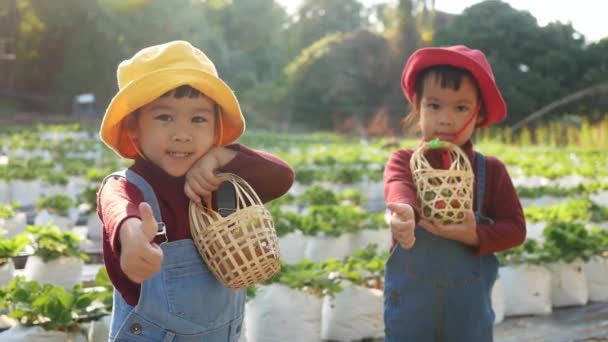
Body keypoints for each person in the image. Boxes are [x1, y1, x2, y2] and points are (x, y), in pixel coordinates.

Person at [97, 40, 295, 341]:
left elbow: (281, 177)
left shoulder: (218, 183)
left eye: (198, 119)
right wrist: (131, 234)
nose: (182, 135)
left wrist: (221, 156)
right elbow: (117, 208)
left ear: (216, 129)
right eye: (165, 117)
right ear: (134, 127)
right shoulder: (128, 187)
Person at [383, 45, 526, 341]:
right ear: (417, 108)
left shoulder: (491, 171)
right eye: (434, 106)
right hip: (413, 310)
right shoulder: (404, 162)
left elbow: (516, 229)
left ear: (478, 114)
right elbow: (398, 188)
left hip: (468, 314)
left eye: (460, 108)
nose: (446, 119)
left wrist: (474, 236)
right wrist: (404, 212)